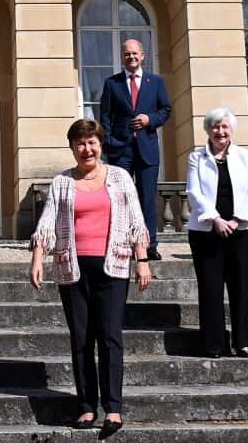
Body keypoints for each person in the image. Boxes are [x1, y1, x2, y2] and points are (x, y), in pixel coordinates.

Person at [29, 119, 151, 438]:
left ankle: (113, 408)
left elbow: (136, 221)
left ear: (100, 145)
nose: (87, 149)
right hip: (72, 269)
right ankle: (86, 406)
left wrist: (142, 260)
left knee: (110, 336)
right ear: (72, 148)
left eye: (92, 142)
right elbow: (47, 223)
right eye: (80, 143)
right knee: (81, 339)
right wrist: (38, 259)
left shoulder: (120, 177)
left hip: (113, 267)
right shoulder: (62, 182)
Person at [184, 107, 248, 359]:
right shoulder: (196, 157)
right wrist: (216, 219)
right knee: (211, 288)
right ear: (208, 130)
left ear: (232, 130)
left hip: (243, 230)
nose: (220, 131)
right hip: (206, 231)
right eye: (215, 127)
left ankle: (242, 342)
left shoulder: (246, 156)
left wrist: (237, 219)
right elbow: (194, 192)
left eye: (224, 126)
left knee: (240, 287)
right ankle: (214, 344)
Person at [99, 38, 171, 260]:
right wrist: (109, 142)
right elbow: (105, 117)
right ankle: (122, 245)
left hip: (147, 149)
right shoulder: (112, 83)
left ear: (142, 56)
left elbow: (166, 110)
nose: (131, 57)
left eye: (134, 53)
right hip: (121, 150)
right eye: (127, 54)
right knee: (120, 199)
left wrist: (150, 119)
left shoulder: (155, 82)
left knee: (147, 199)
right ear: (122, 57)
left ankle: (149, 246)